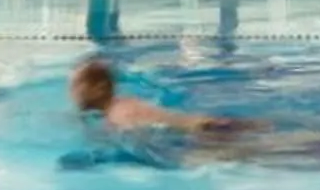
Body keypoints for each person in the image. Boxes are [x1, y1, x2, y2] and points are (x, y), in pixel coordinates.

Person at [69, 55, 251, 137]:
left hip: (208, 133)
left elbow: (149, 143)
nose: (72, 93)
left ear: (99, 88)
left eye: (78, 86)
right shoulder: (120, 105)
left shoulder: (121, 114)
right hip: (206, 127)